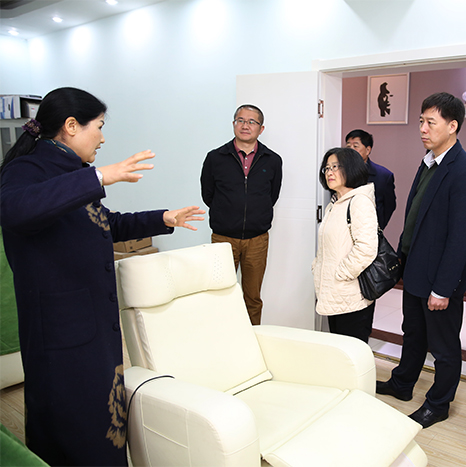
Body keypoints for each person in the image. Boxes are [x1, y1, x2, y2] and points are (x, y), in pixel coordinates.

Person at [0, 87, 204, 467]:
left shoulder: (72, 171)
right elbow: (15, 210)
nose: (103, 137)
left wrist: (163, 218)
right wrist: (100, 176)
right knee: (71, 426)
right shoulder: (27, 170)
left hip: (91, 324)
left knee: (100, 418)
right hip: (60, 332)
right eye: (99, 126)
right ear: (71, 126)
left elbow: (103, 223)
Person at [376, 92, 466, 428]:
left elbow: (458, 238)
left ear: (452, 126)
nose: (422, 128)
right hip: (416, 268)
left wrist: (443, 288)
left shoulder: (464, 172)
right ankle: (402, 382)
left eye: (430, 122)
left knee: (444, 346)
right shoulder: (429, 161)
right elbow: (416, 218)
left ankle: (438, 404)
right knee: (413, 332)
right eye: (421, 121)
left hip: (440, 277)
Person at [200, 104, 282, 325]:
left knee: (252, 297)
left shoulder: (272, 160)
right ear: (234, 124)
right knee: (219, 294)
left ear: (261, 129)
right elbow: (208, 195)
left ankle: (252, 336)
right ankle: (221, 336)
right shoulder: (215, 158)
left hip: (257, 240)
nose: (246, 125)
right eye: (241, 120)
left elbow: (272, 196)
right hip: (223, 238)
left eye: (252, 122)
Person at [312, 147, 378, 343]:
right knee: (339, 348)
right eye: (327, 168)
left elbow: (366, 248)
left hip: (351, 293)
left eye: (335, 167)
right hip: (335, 292)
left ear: (351, 168)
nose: (329, 172)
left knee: (352, 350)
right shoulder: (336, 203)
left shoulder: (359, 202)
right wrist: (318, 266)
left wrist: (342, 273)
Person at [345, 129, 397, 230]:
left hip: (370, 229)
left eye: (355, 146)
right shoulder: (339, 174)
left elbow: (389, 206)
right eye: (348, 146)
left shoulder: (383, 175)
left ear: (368, 150)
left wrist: (379, 225)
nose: (350, 150)